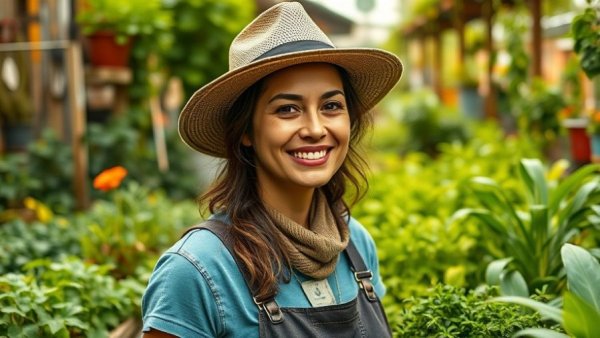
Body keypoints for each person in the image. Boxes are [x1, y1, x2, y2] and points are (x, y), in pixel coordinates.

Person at [142, 2, 402, 337]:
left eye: (331, 106)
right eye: (288, 109)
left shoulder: (355, 246)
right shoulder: (199, 269)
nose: (315, 128)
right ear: (246, 131)